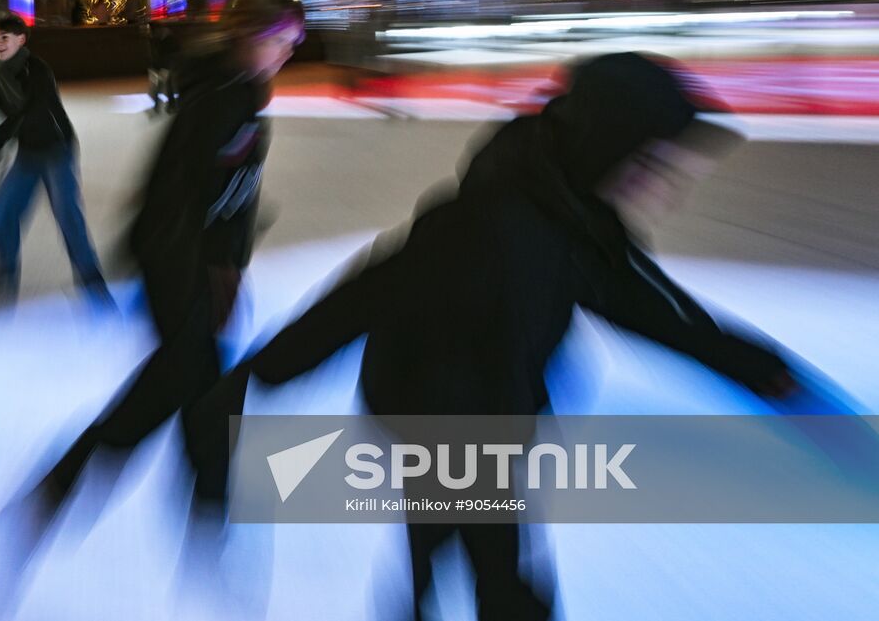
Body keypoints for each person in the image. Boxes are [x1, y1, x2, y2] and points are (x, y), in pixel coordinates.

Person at [188, 52, 802, 621]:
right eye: (649, 164)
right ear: (604, 145)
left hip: (481, 420)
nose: (664, 186)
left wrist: (754, 365)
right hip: (444, 424)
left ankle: (421, 595)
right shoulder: (486, 222)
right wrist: (261, 374)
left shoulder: (576, 222)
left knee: (441, 551)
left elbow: (649, 304)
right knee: (501, 579)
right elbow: (363, 297)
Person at [36, 0, 306, 513]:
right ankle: (76, 476)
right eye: (279, 40)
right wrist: (208, 272)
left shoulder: (241, 93)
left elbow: (232, 194)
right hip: (179, 263)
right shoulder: (221, 100)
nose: (286, 54)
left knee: (199, 383)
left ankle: (205, 495)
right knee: (182, 379)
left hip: (195, 262)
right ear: (248, 33)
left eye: (293, 44)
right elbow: (179, 196)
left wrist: (229, 261)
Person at [0, 13, 110, 308]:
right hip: (28, 154)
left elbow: (32, 110)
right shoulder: (0, 76)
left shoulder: (37, 70)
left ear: (21, 40)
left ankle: (91, 280)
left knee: (68, 217)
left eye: (4, 38)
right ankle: (7, 273)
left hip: (57, 151)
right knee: (2, 212)